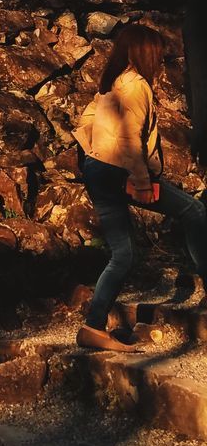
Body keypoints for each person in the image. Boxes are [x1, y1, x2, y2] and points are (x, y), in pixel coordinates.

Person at [75, 22, 207, 352]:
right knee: (194, 210)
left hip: (98, 168)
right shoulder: (135, 87)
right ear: (145, 53)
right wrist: (142, 181)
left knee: (123, 255)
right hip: (120, 171)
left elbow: (86, 122)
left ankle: (92, 326)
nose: (162, 61)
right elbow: (128, 140)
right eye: (159, 55)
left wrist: (96, 158)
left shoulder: (112, 84)